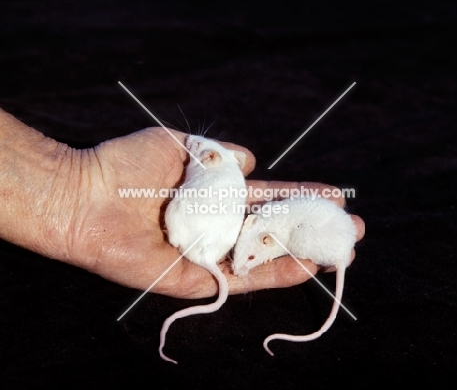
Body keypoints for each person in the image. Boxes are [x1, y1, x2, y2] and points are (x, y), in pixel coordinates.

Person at [0, 107, 365, 299]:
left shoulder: (217, 173)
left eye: (199, 149)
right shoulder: (228, 179)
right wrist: (72, 187)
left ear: (211, 161)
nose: (192, 144)